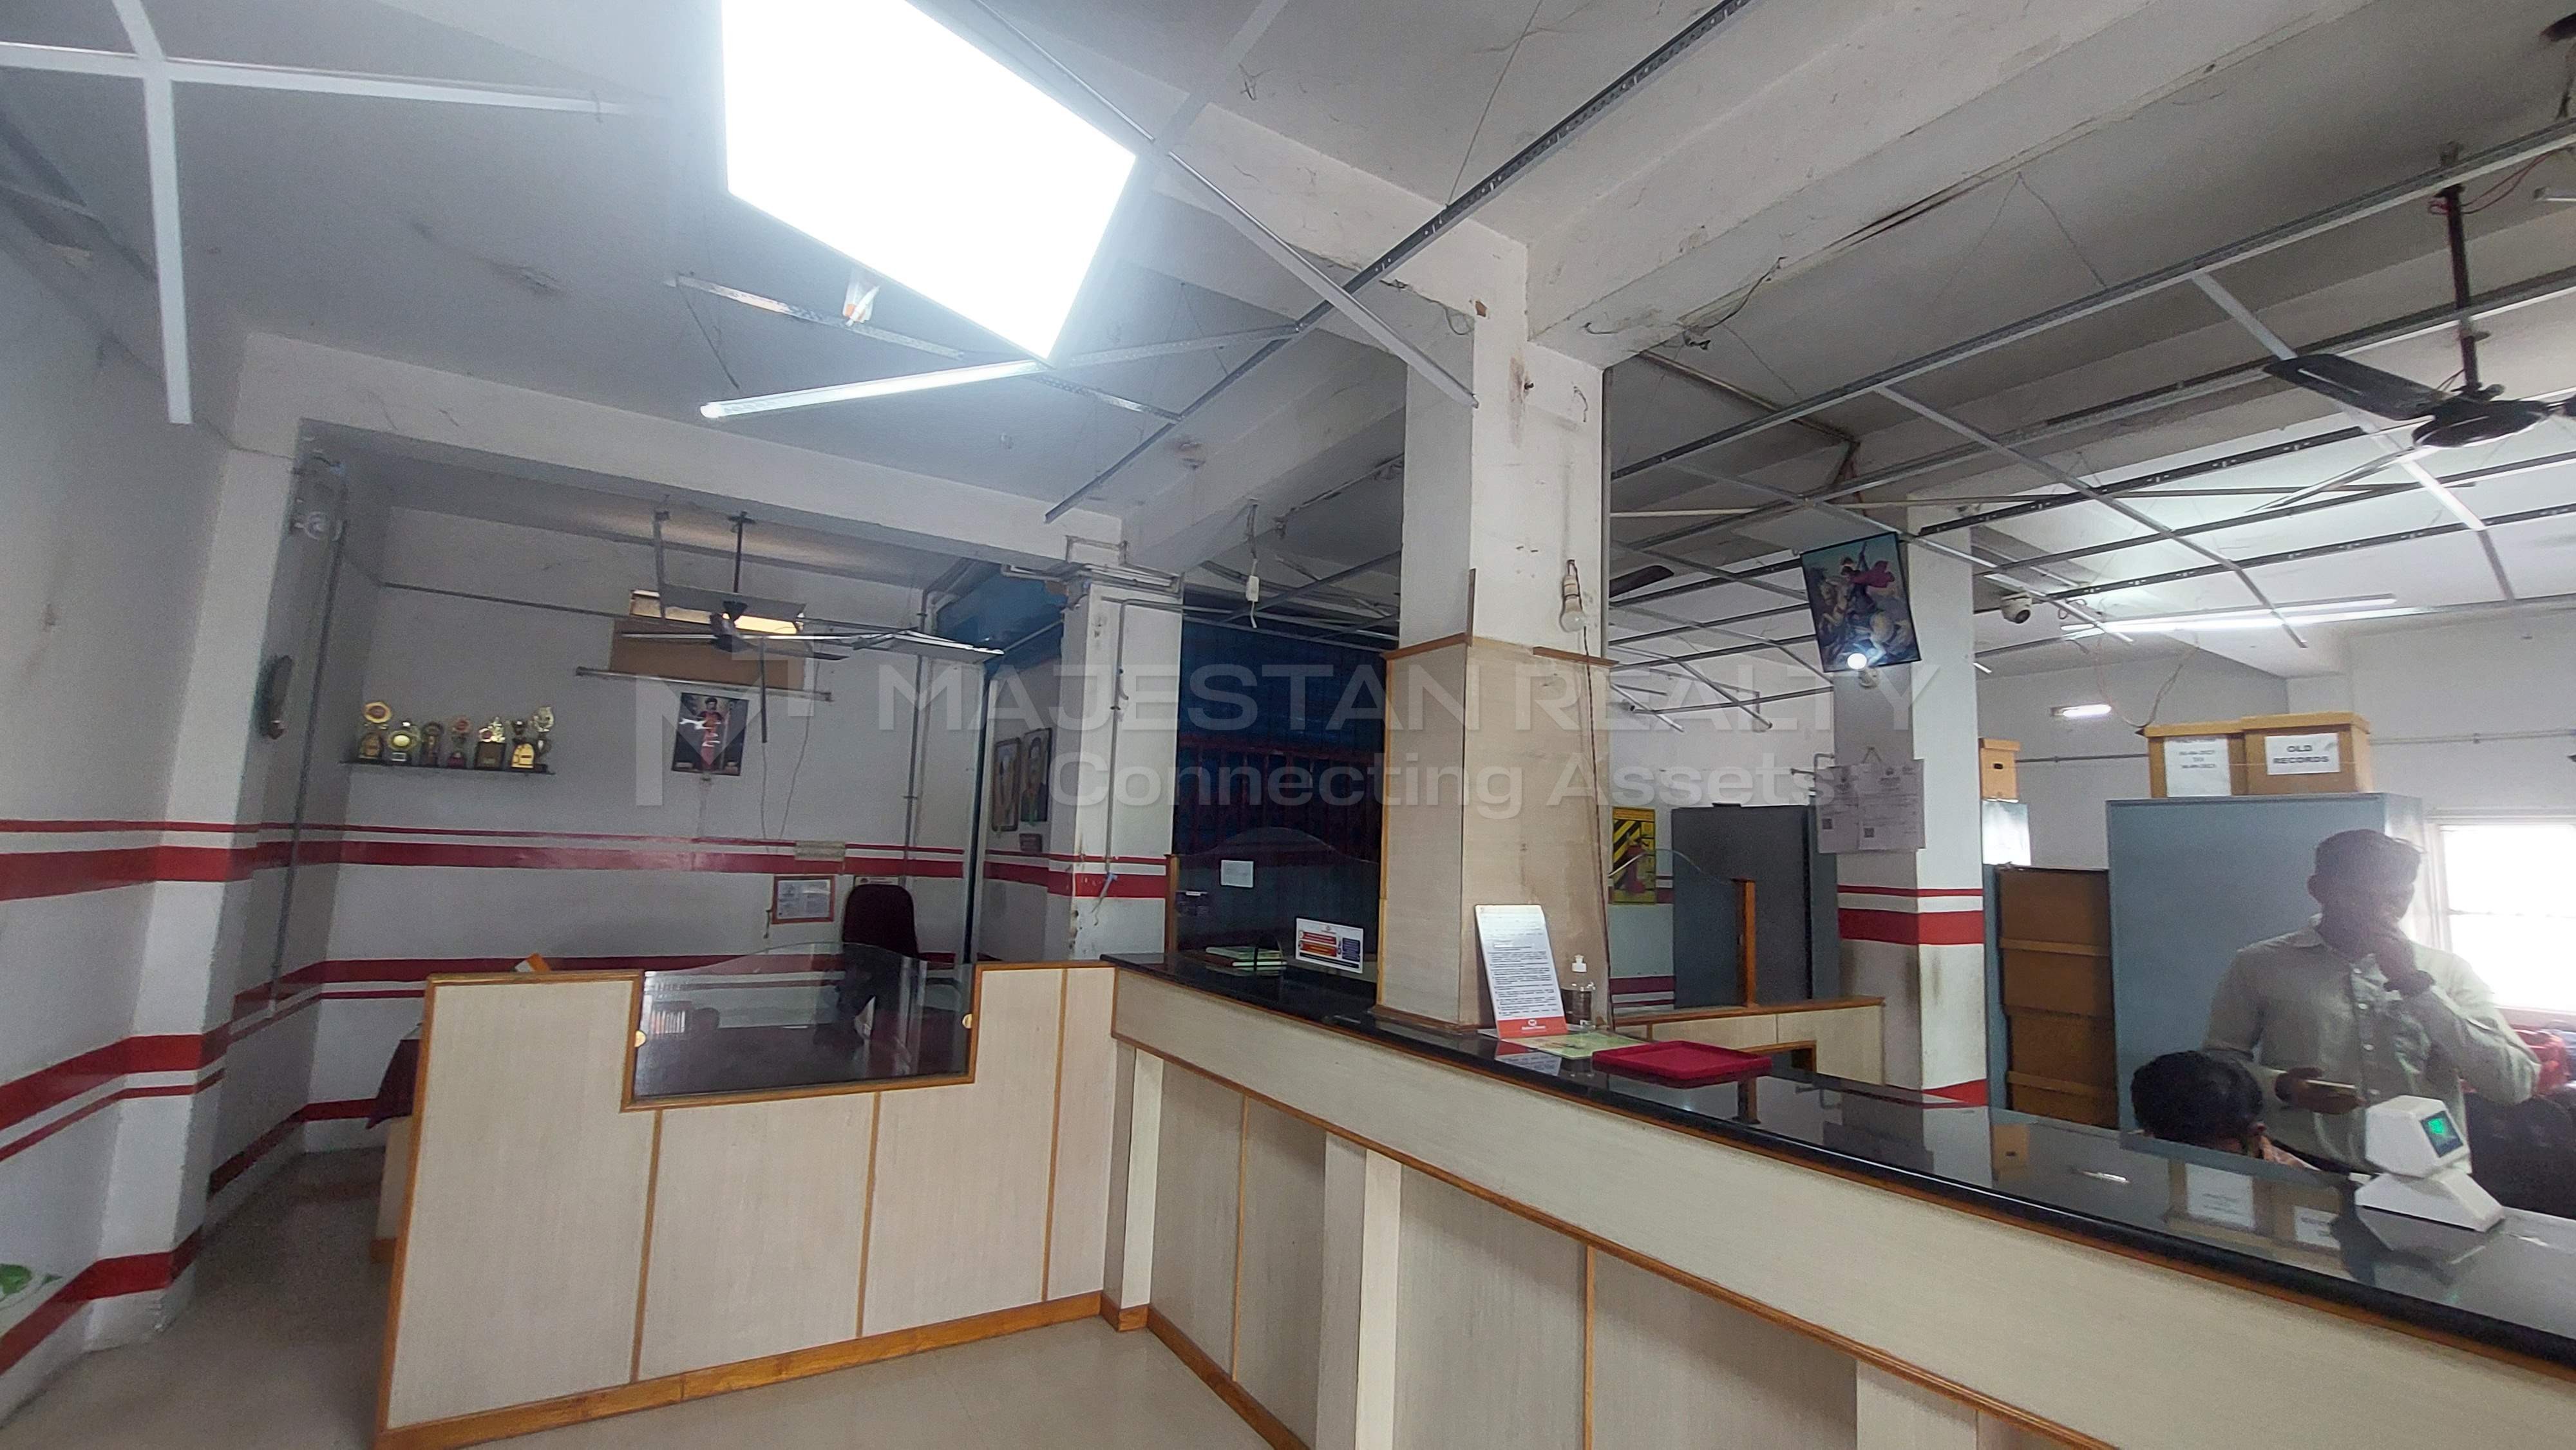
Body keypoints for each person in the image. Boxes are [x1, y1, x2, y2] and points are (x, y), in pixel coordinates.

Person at [2204, 830, 2536, 1170]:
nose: (2380, 913)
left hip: (2430, 1172)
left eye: (2396, 899)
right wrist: (2280, 1086)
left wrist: (2416, 986)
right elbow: (2219, 1064)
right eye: (2359, 897)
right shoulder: (2259, 964)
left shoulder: (2448, 971)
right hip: (2305, 1164)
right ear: (2319, 890)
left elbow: (2513, 1086)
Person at [2130, 1050, 2315, 1167]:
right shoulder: (2130, 1159)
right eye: (2174, 1154)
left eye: (2208, 1158)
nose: (2189, 1171)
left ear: (2254, 1136)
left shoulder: (2303, 1191)